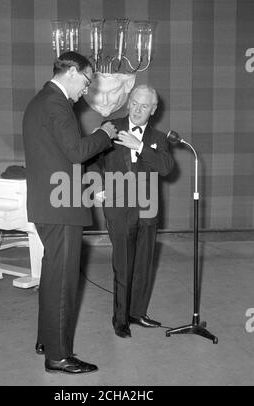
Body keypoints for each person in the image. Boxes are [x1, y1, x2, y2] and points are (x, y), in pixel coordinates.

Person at [22, 51, 117, 374]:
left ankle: (46, 341)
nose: (85, 91)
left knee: (52, 277)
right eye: (87, 82)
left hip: (49, 204)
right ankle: (58, 356)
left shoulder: (42, 101)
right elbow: (75, 153)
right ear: (73, 72)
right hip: (60, 207)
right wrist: (105, 134)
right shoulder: (55, 103)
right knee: (62, 283)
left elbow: (62, 154)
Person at [96, 85, 174, 338]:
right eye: (135, 103)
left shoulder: (158, 138)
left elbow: (165, 168)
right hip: (118, 208)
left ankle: (137, 312)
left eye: (145, 106)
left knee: (143, 265)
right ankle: (120, 319)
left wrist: (139, 146)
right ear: (129, 102)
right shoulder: (111, 127)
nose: (138, 110)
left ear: (153, 110)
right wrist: (97, 188)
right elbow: (90, 161)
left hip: (147, 211)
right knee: (123, 265)